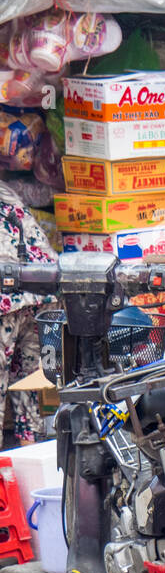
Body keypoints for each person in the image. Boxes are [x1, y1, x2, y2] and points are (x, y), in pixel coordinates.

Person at [0, 180, 56, 446]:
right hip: (43, 289)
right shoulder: (8, 190)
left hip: (7, 297)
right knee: (28, 385)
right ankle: (30, 451)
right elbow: (44, 192)